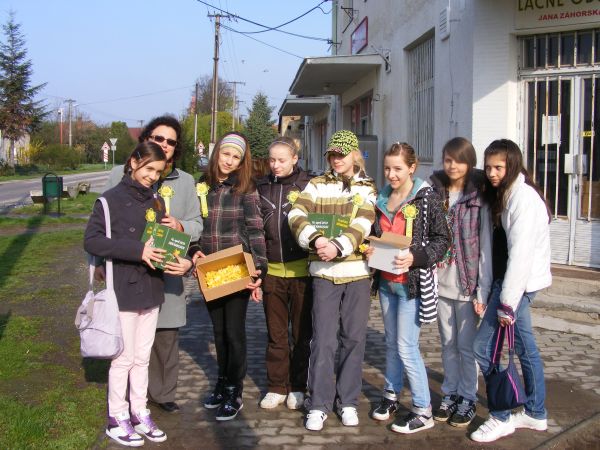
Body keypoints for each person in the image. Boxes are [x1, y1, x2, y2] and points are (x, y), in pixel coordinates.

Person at [85, 142, 192, 447]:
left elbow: (161, 241)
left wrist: (175, 256)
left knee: (142, 358)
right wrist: (138, 251)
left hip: (152, 288)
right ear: (133, 162)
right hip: (124, 290)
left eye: (158, 172)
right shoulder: (109, 201)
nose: (152, 176)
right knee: (123, 358)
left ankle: (139, 412)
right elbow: (92, 241)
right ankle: (116, 417)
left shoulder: (157, 202)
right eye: (148, 169)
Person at [103, 115, 203, 414]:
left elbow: (198, 224)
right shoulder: (119, 174)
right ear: (146, 139)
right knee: (127, 338)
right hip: (128, 269)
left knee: (165, 336)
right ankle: (128, 397)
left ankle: (162, 393)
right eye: (159, 138)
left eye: (171, 141)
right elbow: (102, 224)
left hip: (167, 271)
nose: (164, 144)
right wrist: (97, 265)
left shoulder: (185, 181)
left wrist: (181, 227)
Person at [288, 130, 377, 431]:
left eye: (342, 154)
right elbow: (296, 214)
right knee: (323, 340)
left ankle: (348, 401)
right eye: (332, 154)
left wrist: (338, 246)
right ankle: (318, 404)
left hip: (357, 274)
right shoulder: (316, 184)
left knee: (353, 339)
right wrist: (316, 240)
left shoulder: (367, 186)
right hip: (324, 273)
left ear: (354, 154)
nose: (336, 159)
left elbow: (364, 221)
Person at [470, 139, 551, 443]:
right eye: (488, 167)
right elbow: (491, 251)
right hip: (505, 284)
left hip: (517, 286)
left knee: (484, 348)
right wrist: (484, 292)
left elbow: (521, 255)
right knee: (525, 349)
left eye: (499, 167)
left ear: (513, 166)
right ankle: (535, 413)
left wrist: (506, 304)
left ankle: (501, 416)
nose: (492, 173)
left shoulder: (523, 199)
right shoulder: (500, 195)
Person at [368, 142, 449, 434]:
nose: (391, 174)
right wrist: (369, 248)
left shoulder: (426, 198)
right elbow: (375, 234)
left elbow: (443, 239)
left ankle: (423, 409)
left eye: (398, 169)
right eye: (387, 168)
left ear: (412, 168)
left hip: (411, 286)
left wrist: (416, 257)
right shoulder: (381, 197)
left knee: (406, 346)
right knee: (391, 343)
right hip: (387, 284)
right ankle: (391, 395)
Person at [193, 131, 267, 421]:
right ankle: (221, 383)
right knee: (218, 331)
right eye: (226, 154)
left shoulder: (245, 188)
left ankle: (235, 390)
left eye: (236, 157)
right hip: (209, 270)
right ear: (217, 154)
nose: (229, 161)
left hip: (236, 268)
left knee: (234, 332)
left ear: (241, 162)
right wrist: (194, 249)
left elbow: (255, 228)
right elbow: (194, 225)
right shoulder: (202, 185)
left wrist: (259, 267)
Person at [429, 137, 492, 427]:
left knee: (466, 347)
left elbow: (485, 247)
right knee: (447, 344)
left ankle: (468, 397)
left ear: (470, 163)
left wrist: (482, 290)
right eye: (448, 159)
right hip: (440, 282)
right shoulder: (435, 194)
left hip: (467, 285)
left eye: (459, 160)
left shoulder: (478, 197)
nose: (453, 166)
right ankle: (450, 392)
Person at [256, 137, 313, 410]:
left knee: (301, 333)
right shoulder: (261, 187)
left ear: (294, 159)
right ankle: (277, 386)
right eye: (272, 160)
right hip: (273, 273)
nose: (275, 165)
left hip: (302, 272)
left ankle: (298, 386)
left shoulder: (309, 185)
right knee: (276, 333)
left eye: (281, 160)